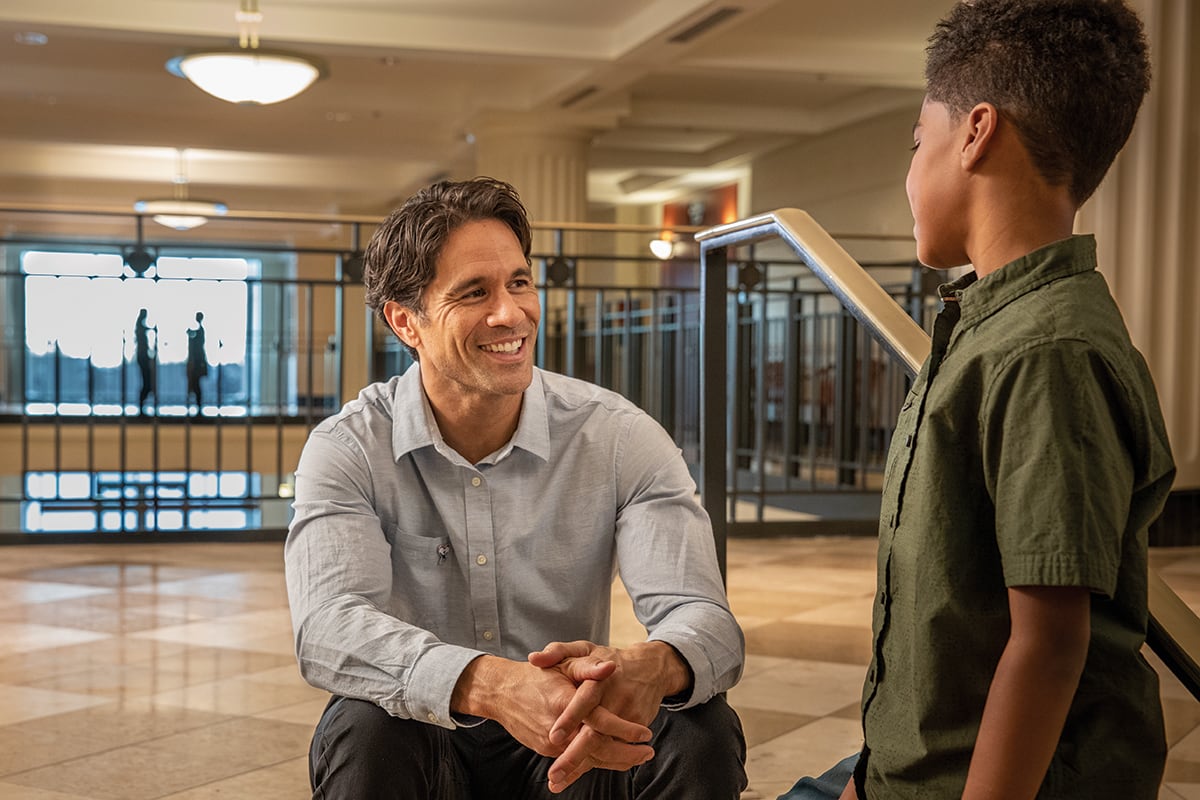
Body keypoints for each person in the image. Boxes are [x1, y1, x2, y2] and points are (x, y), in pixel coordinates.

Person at [780, 1, 1175, 799]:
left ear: (976, 131)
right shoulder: (989, 326)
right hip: (906, 772)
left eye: (917, 142)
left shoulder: (1046, 352)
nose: (909, 173)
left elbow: (1049, 650)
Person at [285, 177, 747, 799]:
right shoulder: (349, 447)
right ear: (405, 322)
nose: (512, 313)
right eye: (474, 292)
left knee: (699, 727)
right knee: (363, 727)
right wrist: (490, 684)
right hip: (424, 733)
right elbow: (328, 627)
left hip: (572, 738)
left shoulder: (617, 436)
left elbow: (705, 619)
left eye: (519, 283)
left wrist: (654, 664)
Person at [185, 311, 208, 415]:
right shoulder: (200, 331)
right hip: (197, 362)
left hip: (197, 363)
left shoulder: (200, 331)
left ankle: (198, 405)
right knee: (195, 385)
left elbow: (196, 341)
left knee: (196, 385)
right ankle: (197, 405)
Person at [134, 308, 156, 412]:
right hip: (143, 357)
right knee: (147, 382)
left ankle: (142, 405)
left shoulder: (140, 327)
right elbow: (143, 329)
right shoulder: (140, 327)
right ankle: (141, 405)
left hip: (143, 357)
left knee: (147, 382)